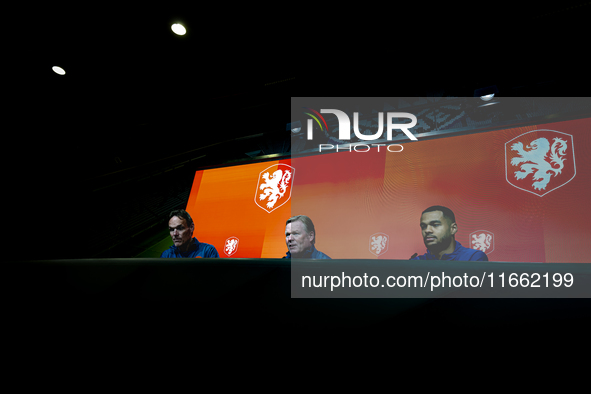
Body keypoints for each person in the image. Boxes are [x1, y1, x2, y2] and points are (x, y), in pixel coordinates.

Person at [412, 205, 488, 261]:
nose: (427, 230)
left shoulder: (473, 258)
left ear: (453, 229)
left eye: (435, 225)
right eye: (423, 226)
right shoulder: (415, 262)